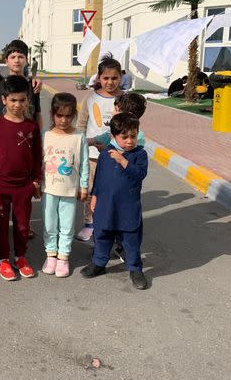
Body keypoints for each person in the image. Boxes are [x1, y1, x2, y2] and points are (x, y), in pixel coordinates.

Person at [0, 75, 42, 281]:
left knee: (23, 225)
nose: (18, 105)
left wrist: (35, 180)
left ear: (28, 100)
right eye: (13, 100)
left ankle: (20, 257)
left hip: (23, 186)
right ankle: (3, 259)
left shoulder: (32, 127)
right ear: (4, 100)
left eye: (22, 100)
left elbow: (37, 156)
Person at [80, 112, 148, 290]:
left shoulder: (140, 155)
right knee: (102, 235)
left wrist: (123, 161)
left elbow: (140, 174)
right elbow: (100, 178)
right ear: (113, 136)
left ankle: (135, 268)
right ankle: (99, 263)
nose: (129, 141)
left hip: (128, 207)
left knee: (130, 238)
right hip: (105, 205)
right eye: (124, 137)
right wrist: (94, 196)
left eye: (133, 136)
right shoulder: (105, 154)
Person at [75, 54, 123, 241]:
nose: (110, 82)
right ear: (99, 78)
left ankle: (111, 224)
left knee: (113, 191)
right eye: (106, 78)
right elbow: (81, 125)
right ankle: (89, 224)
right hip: (93, 155)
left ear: (120, 77)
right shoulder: (90, 98)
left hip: (117, 155)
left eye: (114, 78)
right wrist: (80, 146)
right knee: (90, 190)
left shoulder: (124, 99)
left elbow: (131, 125)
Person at [41, 93, 89, 277]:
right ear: (52, 114)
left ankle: (63, 257)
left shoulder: (78, 137)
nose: (63, 120)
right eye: (59, 115)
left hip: (70, 190)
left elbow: (84, 163)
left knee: (67, 225)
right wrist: (37, 182)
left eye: (68, 116)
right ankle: (51, 254)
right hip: (49, 189)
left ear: (74, 116)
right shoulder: (46, 135)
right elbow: (40, 161)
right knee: (49, 224)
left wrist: (83, 186)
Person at [0, 39, 42, 129]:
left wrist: (38, 138)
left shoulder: (33, 85)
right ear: (6, 61)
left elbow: (37, 113)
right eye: (12, 57)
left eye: (20, 57)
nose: (16, 60)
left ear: (26, 60)